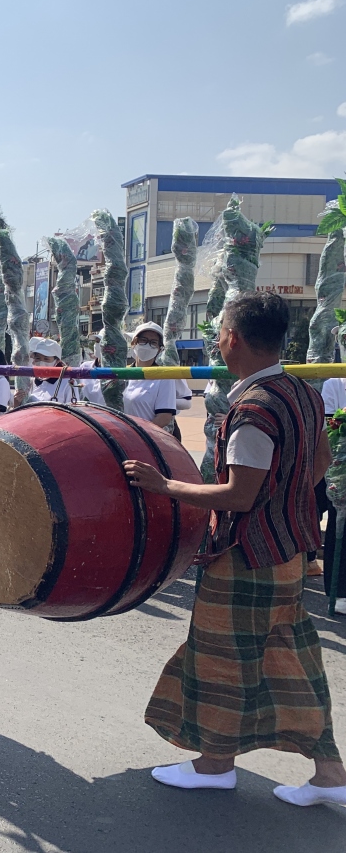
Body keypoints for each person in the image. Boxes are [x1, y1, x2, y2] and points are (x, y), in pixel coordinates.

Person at [123, 291, 345, 807]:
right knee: (288, 656)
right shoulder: (302, 392)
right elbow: (321, 460)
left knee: (220, 657)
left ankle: (214, 765)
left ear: (233, 339)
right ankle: (329, 771)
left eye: (221, 328)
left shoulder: (253, 410)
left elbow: (239, 495)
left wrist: (164, 486)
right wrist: (287, 503)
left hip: (247, 557)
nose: (218, 336)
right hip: (289, 551)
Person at [319, 376, 346, 610]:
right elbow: (331, 429)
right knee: (339, 526)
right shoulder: (335, 383)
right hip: (341, 466)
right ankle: (338, 591)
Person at [122, 322, 177, 429]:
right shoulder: (123, 373)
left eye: (153, 342)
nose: (148, 346)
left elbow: (164, 417)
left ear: (160, 349)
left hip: (146, 438)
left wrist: (138, 433)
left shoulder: (164, 377)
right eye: (143, 340)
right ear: (134, 343)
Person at [28, 339, 77, 404]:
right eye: (38, 358)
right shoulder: (31, 381)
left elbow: (73, 410)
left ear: (57, 361)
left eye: (46, 359)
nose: (42, 362)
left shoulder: (68, 382)